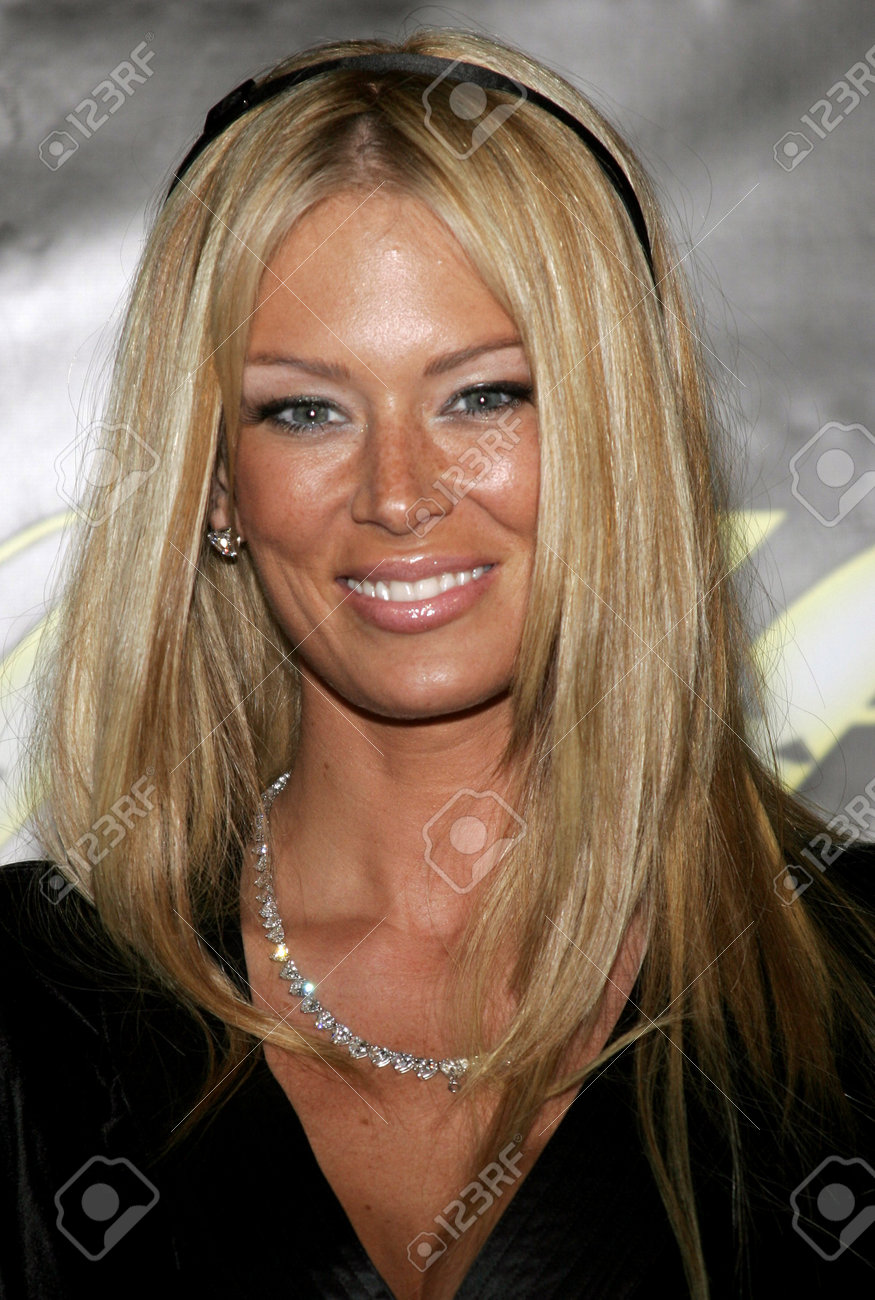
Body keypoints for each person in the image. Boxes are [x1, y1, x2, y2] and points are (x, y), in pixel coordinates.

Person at [2, 28, 873, 1300]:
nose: (398, 494)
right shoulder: (35, 1008)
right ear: (215, 483)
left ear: (613, 435)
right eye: (304, 409)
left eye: (484, 395)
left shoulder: (851, 978)